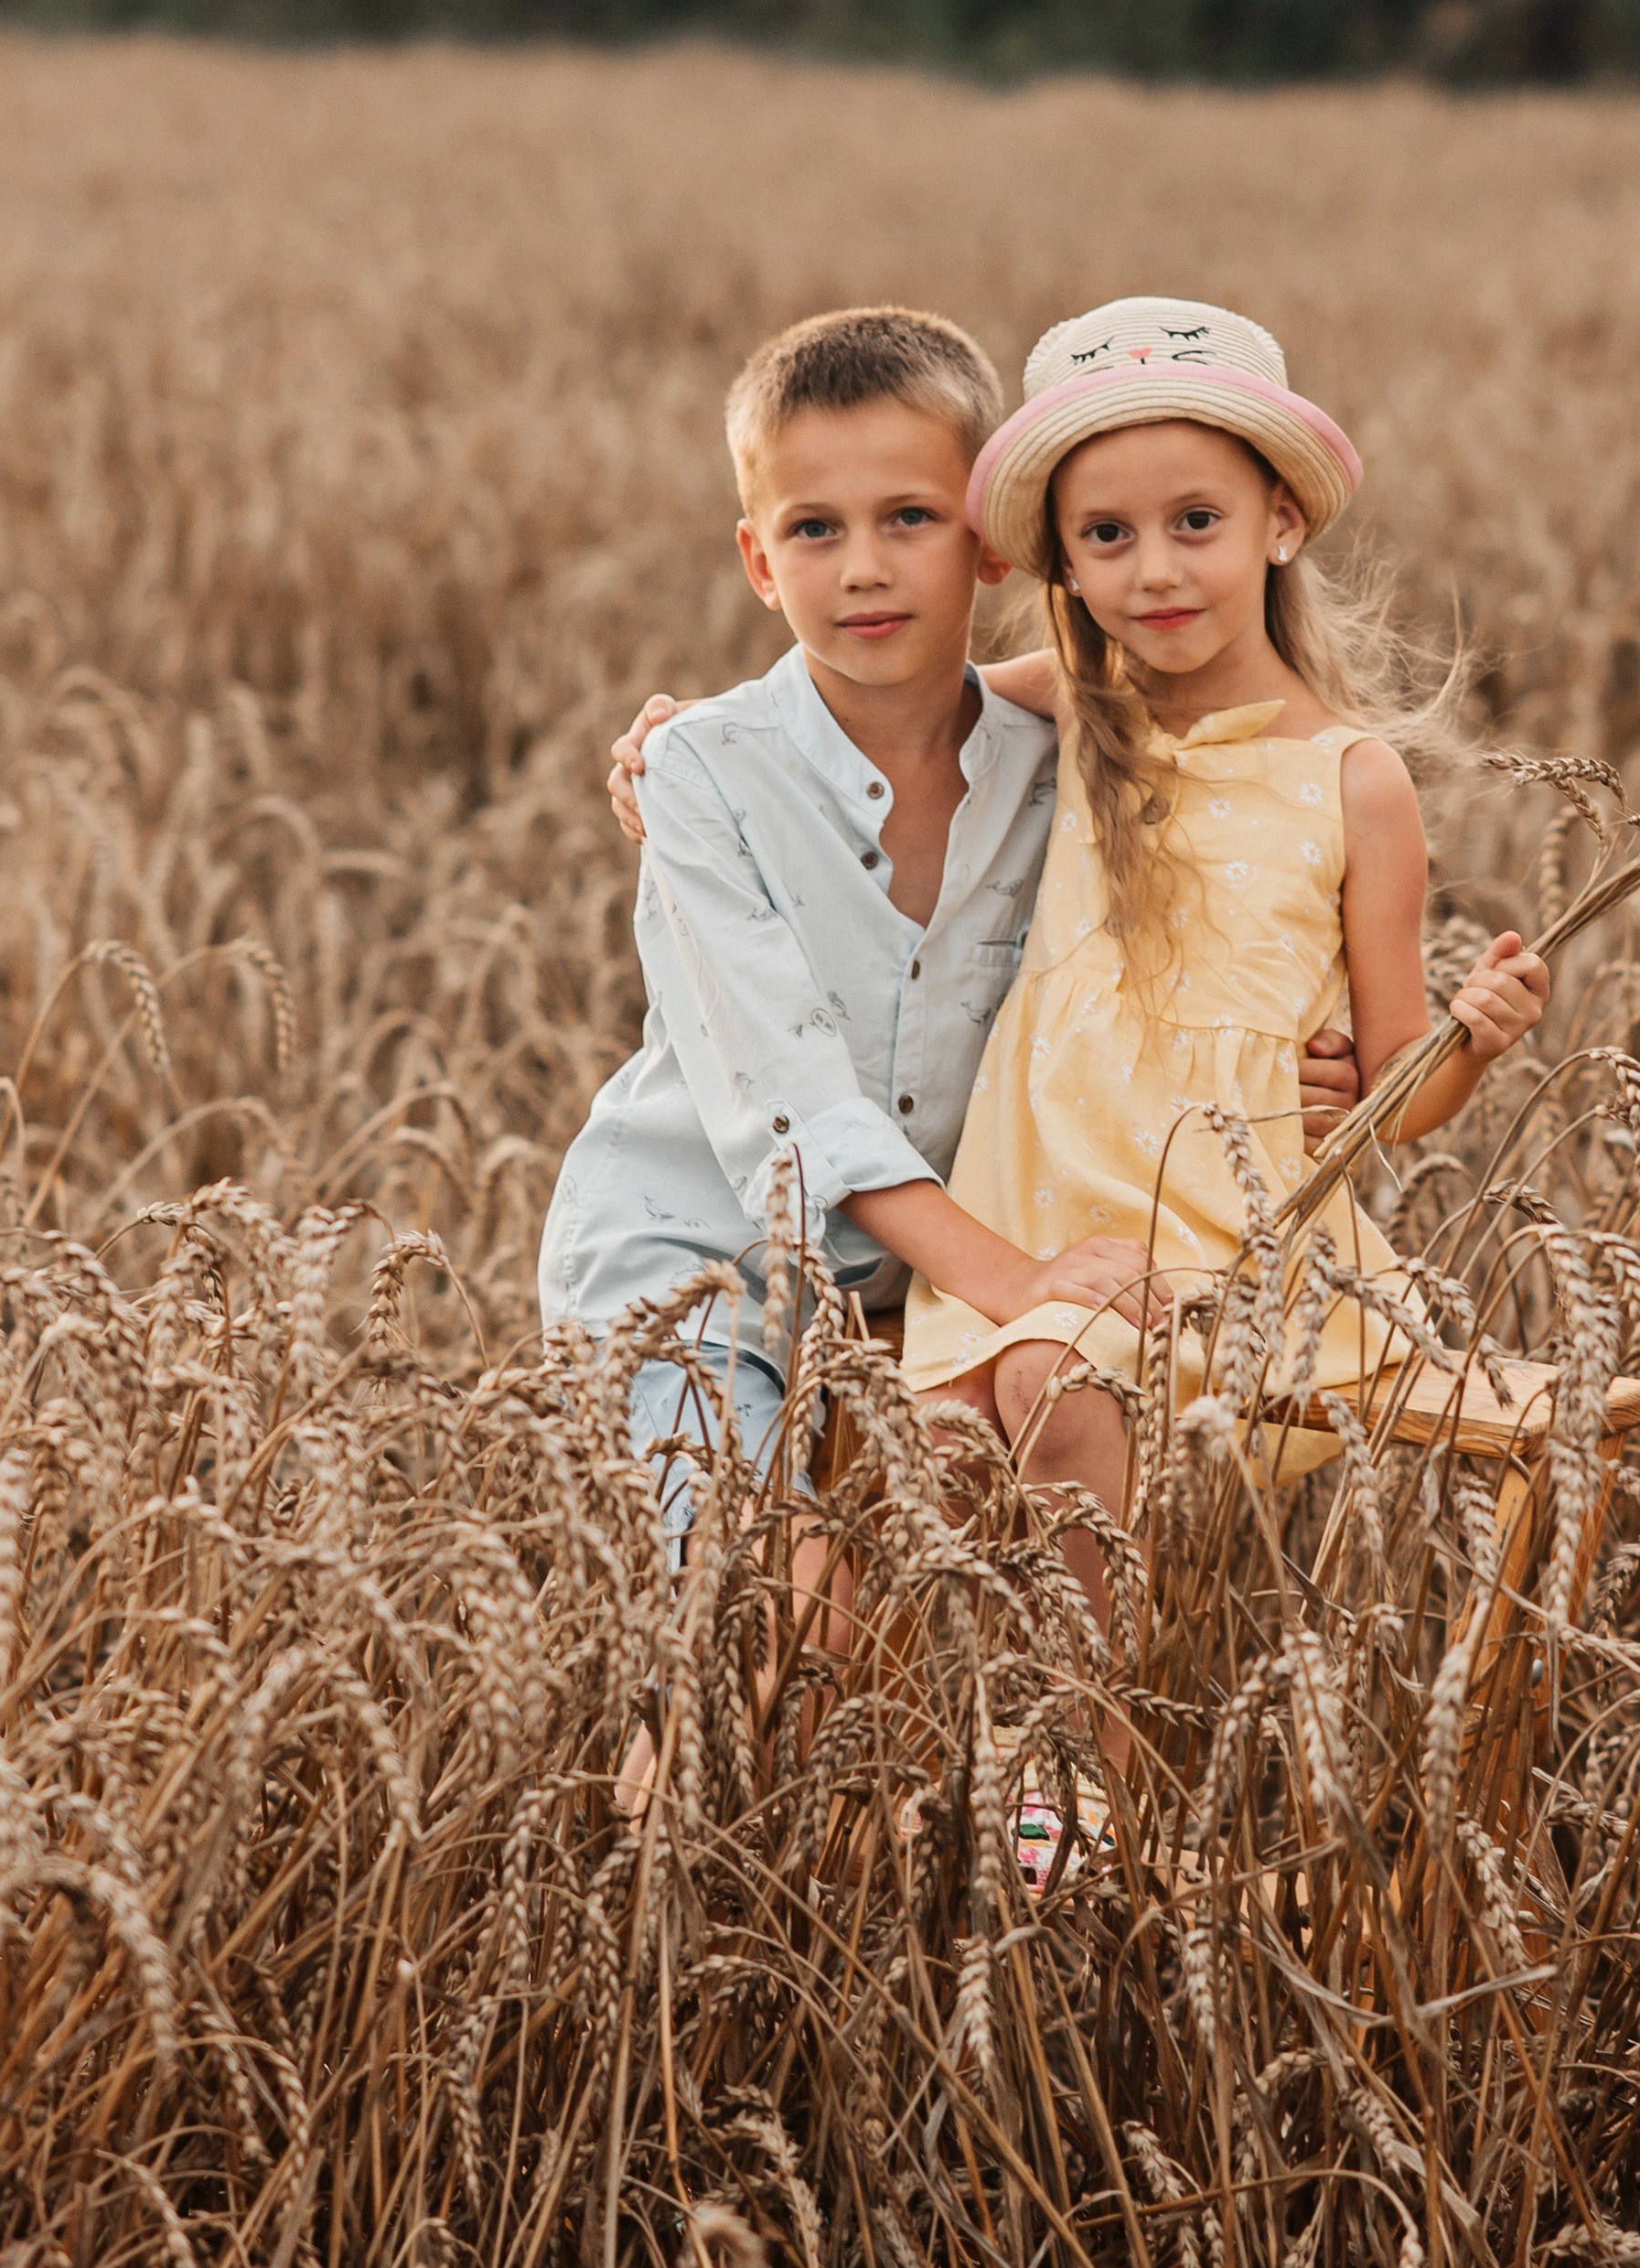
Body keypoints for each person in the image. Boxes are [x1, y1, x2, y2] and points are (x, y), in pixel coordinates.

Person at [541, 302, 1360, 1808]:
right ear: (755, 557)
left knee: (919, 1626)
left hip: (912, 1285)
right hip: (695, 1267)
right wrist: (1008, 1276)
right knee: (764, 1629)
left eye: (910, 517)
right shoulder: (706, 779)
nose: (862, 568)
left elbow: (1224, 889)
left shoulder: (1065, 766)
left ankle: (1001, 1866)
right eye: (814, 527)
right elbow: (787, 1109)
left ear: (988, 545)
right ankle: (654, 1941)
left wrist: (1315, 1059)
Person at [897, 293, 1552, 1652]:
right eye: (1107, 536)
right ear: (1065, 568)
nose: (1154, 569)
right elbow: (860, 706)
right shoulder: (1073, 708)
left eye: (1196, 520)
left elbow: (1390, 1094)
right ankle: (967, 1801)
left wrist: (1473, 1047)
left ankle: (1077, 1801)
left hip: (1225, 1251)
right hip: (1026, 1217)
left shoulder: (1353, 783)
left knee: (1054, 1388)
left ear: (1280, 523)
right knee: (942, 1467)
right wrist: (679, 745)